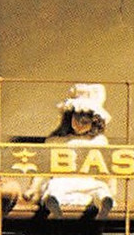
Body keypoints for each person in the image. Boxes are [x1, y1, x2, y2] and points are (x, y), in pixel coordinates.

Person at [29, 83, 116, 218]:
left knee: (100, 189)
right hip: (62, 181)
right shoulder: (56, 141)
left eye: (85, 121)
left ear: (95, 122)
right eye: (77, 119)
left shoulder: (99, 142)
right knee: (52, 187)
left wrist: (111, 188)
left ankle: (104, 205)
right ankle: (55, 208)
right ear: (69, 117)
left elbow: (108, 168)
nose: (80, 124)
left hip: (88, 182)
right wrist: (33, 188)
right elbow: (42, 168)